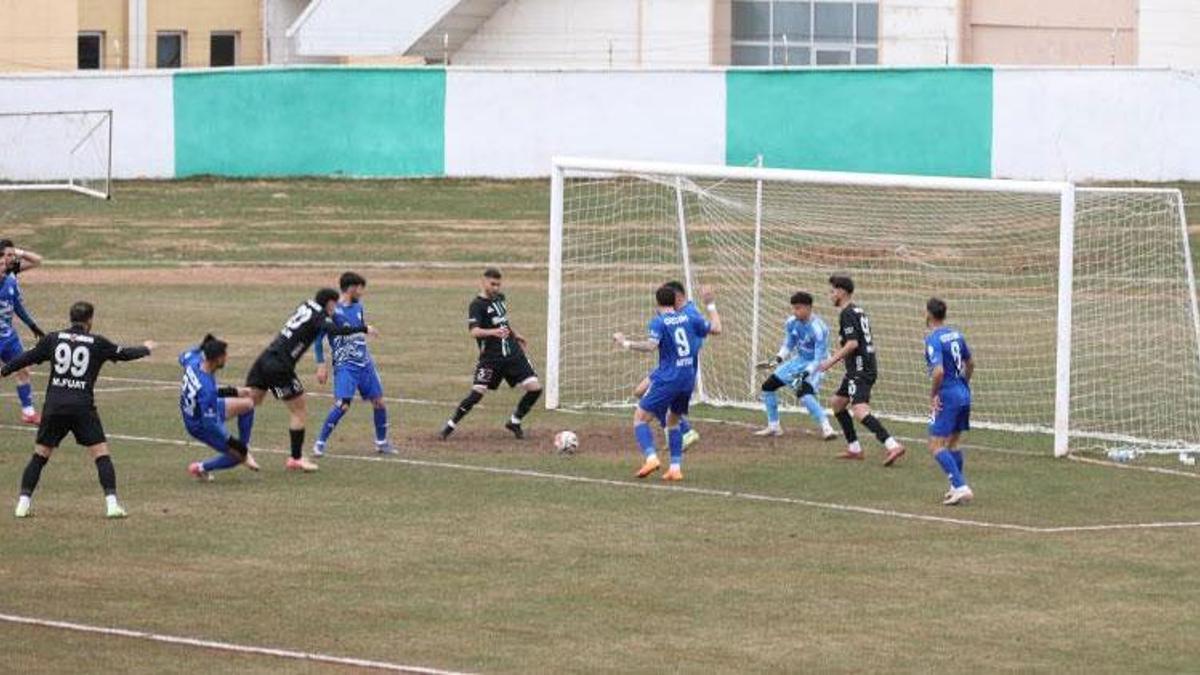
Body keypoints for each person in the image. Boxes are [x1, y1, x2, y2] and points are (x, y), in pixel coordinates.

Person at [3, 301, 155, 518]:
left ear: (71, 318)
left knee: (40, 456)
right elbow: (124, 354)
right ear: (90, 320)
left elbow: (26, 358)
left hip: (55, 407)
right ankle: (112, 505)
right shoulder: (97, 343)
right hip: (82, 407)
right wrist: (146, 349)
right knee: (101, 454)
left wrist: (4, 370)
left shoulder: (53, 339)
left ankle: (22, 505)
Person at [245, 289, 377, 472]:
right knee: (299, 410)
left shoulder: (306, 304)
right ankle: (296, 459)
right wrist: (363, 328)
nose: (336, 308)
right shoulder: (319, 318)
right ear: (330, 303)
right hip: (280, 367)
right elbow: (336, 330)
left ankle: (228, 431)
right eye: (334, 305)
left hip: (266, 358)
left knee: (249, 401)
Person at [613, 285, 721, 481]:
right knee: (673, 421)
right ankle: (675, 468)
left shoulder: (659, 322)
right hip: (688, 377)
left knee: (640, 418)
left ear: (657, 302)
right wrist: (710, 304)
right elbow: (715, 329)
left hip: (669, 377)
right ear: (675, 301)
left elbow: (650, 346)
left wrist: (625, 343)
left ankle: (651, 458)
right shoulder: (689, 317)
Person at [440, 268, 542, 440]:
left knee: (535, 388)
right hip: (491, 358)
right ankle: (449, 426)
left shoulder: (500, 298)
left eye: (498, 285)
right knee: (477, 393)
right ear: (483, 282)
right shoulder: (476, 305)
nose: (496, 288)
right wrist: (493, 332)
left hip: (513, 354)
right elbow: (474, 332)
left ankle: (514, 421)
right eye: (492, 284)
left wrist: (515, 335)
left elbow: (503, 322)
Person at [816, 275, 905, 465]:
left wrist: (829, 362)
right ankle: (854, 448)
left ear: (841, 292)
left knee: (859, 409)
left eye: (832, 291)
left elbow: (852, 343)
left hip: (860, 368)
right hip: (860, 366)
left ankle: (893, 445)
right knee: (838, 403)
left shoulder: (847, 313)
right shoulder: (858, 310)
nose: (830, 295)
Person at [631, 281, 719, 449]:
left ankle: (683, 432)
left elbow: (714, 330)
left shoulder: (689, 314)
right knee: (640, 391)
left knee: (650, 401)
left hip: (677, 368)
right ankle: (680, 430)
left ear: (677, 297)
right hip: (670, 365)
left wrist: (710, 305)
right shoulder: (677, 314)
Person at [312, 272, 392, 456]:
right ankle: (320, 443)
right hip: (345, 365)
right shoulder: (332, 311)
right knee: (343, 405)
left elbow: (358, 328)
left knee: (379, 402)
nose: (362, 292)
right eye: (360, 288)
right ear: (351, 288)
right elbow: (318, 340)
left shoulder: (358, 307)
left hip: (364, 363)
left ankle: (381, 443)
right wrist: (321, 365)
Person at [753, 291, 836, 440]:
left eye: (798, 308)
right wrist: (776, 360)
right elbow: (789, 344)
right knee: (768, 386)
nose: (794, 311)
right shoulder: (792, 322)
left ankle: (827, 428)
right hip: (799, 360)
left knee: (804, 393)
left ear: (808, 308)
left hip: (817, 364)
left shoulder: (819, 328)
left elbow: (818, 358)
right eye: (793, 308)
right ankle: (774, 426)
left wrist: (805, 373)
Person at [179, 335, 260, 480]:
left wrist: (235, 392)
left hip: (204, 407)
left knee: (248, 404)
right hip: (199, 425)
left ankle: (245, 447)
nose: (226, 358)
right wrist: (232, 442)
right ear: (216, 360)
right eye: (224, 355)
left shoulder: (193, 361)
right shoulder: (207, 389)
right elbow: (210, 424)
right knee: (238, 456)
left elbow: (183, 356)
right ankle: (200, 468)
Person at [924, 298, 975, 505]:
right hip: (963, 393)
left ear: (929, 314)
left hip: (947, 396)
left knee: (935, 445)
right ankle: (955, 487)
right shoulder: (957, 335)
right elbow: (970, 363)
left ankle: (961, 486)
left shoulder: (933, 339)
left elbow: (938, 372)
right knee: (953, 443)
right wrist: (963, 383)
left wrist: (934, 395)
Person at [0, 240, 45, 424]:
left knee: (23, 369)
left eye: (12, 256)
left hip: (8, 337)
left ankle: (28, 412)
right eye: (7, 256)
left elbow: (17, 306)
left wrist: (32, 325)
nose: (11, 260)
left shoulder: (11, 277)